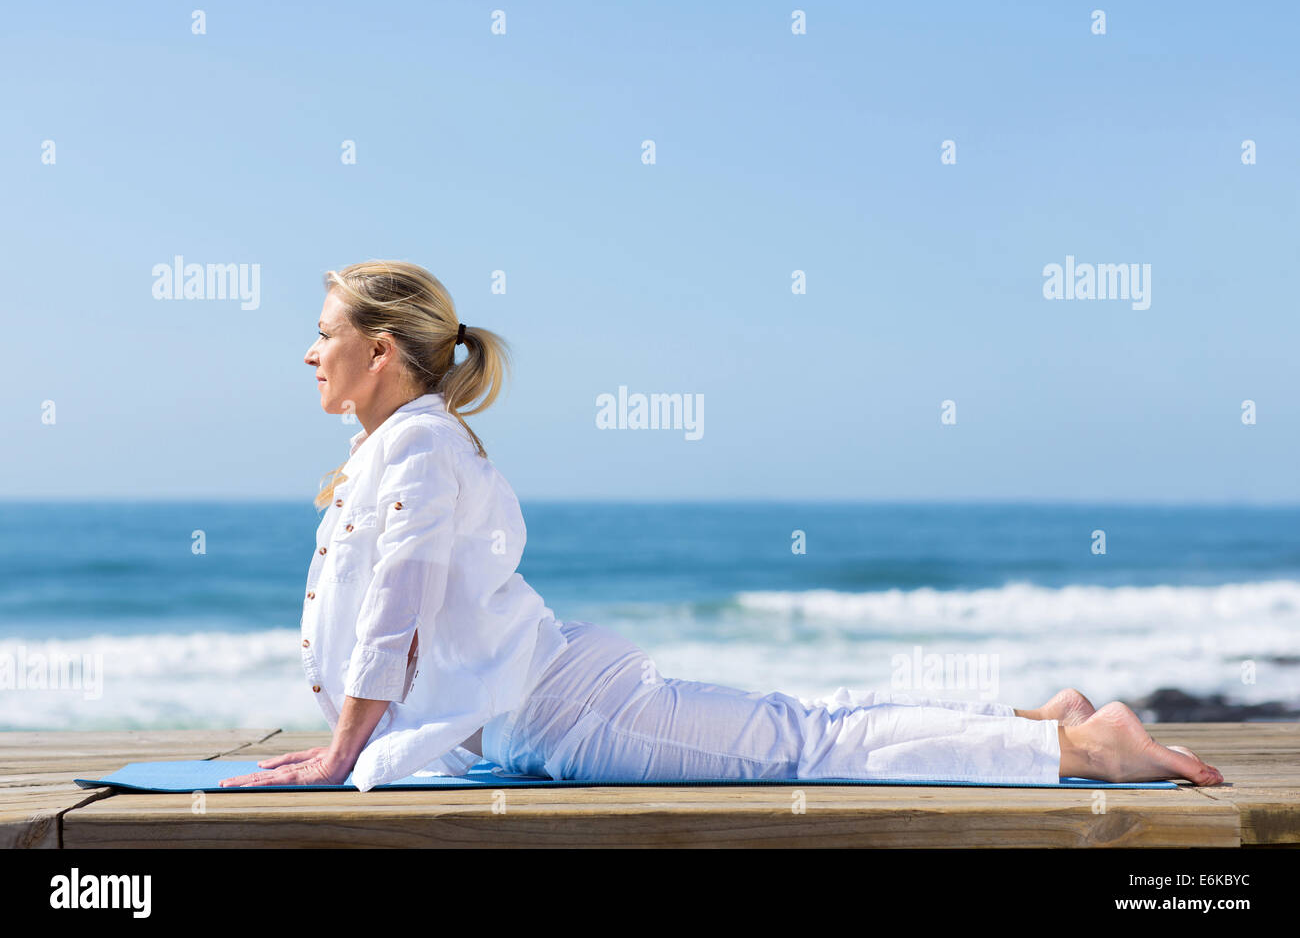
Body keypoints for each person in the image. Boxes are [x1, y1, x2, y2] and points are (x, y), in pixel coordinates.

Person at [220, 260, 1223, 791]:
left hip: (573, 711)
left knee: (809, 744)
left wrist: (344, 751)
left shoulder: (418, 447)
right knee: (807, 727)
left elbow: (397, 603)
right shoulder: (399, 443)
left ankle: (1082, 751)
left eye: (322, 334)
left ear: (382, 349)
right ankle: (1035, 724)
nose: (308, 355)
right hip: (549, 704)